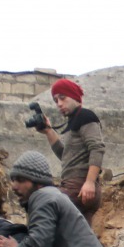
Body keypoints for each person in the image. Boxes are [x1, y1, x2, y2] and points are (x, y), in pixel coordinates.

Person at [31, 78, 105, 221]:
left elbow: (97, 148)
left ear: (74, 96)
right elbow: (66, 156)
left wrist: (89, 182)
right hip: (78, 187)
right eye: (56, 100)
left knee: (42, 207)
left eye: (62, 98)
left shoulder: (85, 116)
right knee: (80, 238)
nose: (59, 104)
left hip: (77, 187)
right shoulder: (74, 121)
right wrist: (48, 131)